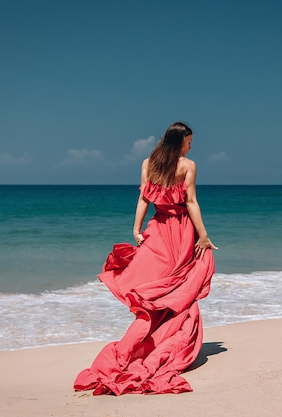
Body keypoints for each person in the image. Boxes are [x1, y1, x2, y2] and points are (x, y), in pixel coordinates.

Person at [73, 121, 218, 395]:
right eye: (189, 141)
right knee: (179, 293)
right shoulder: (188, 166)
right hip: (182, 233)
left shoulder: (147, 163)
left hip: (157, 232)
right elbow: (191, 203)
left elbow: (143, 200)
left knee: (155, 298)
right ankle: (166, 345)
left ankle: (136, 348)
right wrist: (203, 236)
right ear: (179, 142)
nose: (191, 145)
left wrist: (136, 229)